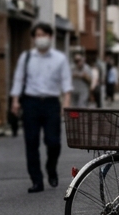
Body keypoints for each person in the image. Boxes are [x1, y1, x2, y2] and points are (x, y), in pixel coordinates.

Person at [10, 23, 72, 193]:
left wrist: (66, 104)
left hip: (52, 103)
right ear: (33, 38)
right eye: (37, 35)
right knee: (31, 142)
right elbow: (18, 79)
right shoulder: (27, 57)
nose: (41, 38)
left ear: (50, 37)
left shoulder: (60, 58)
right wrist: (15, 100)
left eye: (44, 35)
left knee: (53, 142)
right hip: (31, 103)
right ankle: (36, 180)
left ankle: (51, 168)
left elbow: (66, 84)